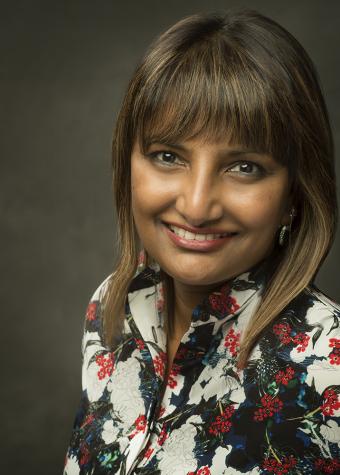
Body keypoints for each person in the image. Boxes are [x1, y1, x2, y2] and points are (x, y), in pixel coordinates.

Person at [63, 8, 340, 475]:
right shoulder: (111, 309)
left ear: (295, 193)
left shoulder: (327, 367)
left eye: (244, 166)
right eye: (168, 156)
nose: (195, 205)